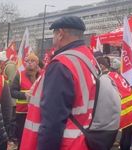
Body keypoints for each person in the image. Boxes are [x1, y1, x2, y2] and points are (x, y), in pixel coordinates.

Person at [20, 16, 101, 150]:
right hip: (84, 139)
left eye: (53, 34)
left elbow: (52, 121)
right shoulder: (89, 58)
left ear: (60, 34)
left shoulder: (61, 64)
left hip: (66, 144)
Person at [96, 56, 132, 150]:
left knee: (125, 137)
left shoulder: (104, 78)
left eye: (96, 67)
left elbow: (107, 98)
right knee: (127, 135)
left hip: (125, 111)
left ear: (101, 66)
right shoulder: (114, 74)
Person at [11, 53, 40, 149]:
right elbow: (12, 92)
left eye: (32, 61)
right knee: (22, 137)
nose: (30, 63)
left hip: (37, 112)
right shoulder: (19, 75)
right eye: (27, 61)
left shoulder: (41, 75)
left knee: (35, 137)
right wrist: (24, 95)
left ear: (37, 63)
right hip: (22, 113)